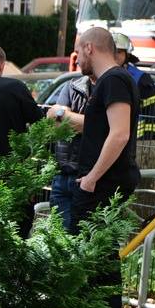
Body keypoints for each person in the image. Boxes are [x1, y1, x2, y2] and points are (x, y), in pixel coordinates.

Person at [71, 27, 140, 308]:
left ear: (90, 47)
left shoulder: (113, 80)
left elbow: (120, 134)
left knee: (97, 254)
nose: (75, 59)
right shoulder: (112, 81)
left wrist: (92, 178)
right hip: (102, 181)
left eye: (77, 50)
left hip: (103, 183)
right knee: (100, 253)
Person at [46, 67, 95, 231]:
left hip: (86, 179)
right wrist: (82, 121)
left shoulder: (108, 88)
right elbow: (52, 120)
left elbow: (98, 126)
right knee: (60, 239)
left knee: (83, 239)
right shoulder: (72, 86)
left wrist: (64, 115)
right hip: (62, 176)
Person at [112, 31, 155, 139]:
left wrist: (148, 141)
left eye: (119, 51)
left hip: (135, 142)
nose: (115, 55)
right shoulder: (98, 75)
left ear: (127, 54)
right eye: (111, 51)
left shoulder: (141, 79)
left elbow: (153, 114)